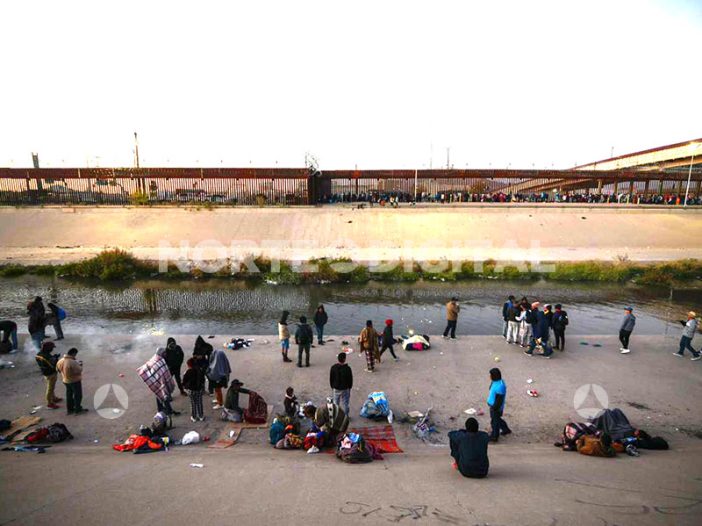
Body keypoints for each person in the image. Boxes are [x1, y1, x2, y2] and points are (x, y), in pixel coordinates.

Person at [138, 348, 178, 416]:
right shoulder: (157, 361)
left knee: (159, 394)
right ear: (161, 353)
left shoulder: (159, 359)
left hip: (158, 381)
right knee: (164, 396)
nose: (165, 354)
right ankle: (169, 411)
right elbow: (151, 368)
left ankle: (160, 409)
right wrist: (157, 378)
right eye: (164, 353)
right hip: (159, 381)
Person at [56, 348, 87, 415]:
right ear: (73, 353)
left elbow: (57, 369)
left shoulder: (61, 360)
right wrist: (80, 364)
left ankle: (70, 409)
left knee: (69, 395)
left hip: (65, 380)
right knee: (77, 395)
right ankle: (78, 409)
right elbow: (79, 370)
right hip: (74, 381)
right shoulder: (72, 362)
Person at [35, 341, 62, 409]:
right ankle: (49, 403)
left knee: (51, 387)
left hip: (45, 372)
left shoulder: (39, 354)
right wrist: (56, 358)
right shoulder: (46, 356)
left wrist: (53, 357)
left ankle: (53, 398)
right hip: (50, 373)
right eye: (52, 348)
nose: (52, 349)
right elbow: (52, 365)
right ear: (48, 348)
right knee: (50, 388)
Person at [487, 368, 510, 442]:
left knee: (494, 422)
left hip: (496, 408)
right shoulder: (495, 381)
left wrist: (493, 408)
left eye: (491, 375)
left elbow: (499, 401)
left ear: (494, 376)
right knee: (497, 420)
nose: (489, 376)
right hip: (493, 406)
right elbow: (491, 389)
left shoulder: (500, 387)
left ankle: (494, 436)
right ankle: (506, 429)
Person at [182, 358, 205, 422]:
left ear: (189, 365)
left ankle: (194, 417)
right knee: (199, 402)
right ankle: (201, 416)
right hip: (199, 389)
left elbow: (184, 381)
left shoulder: (188, 372)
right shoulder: (199, 371)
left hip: (191, 390)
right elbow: (203, 380)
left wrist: (185, 387)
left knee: (193, 403)